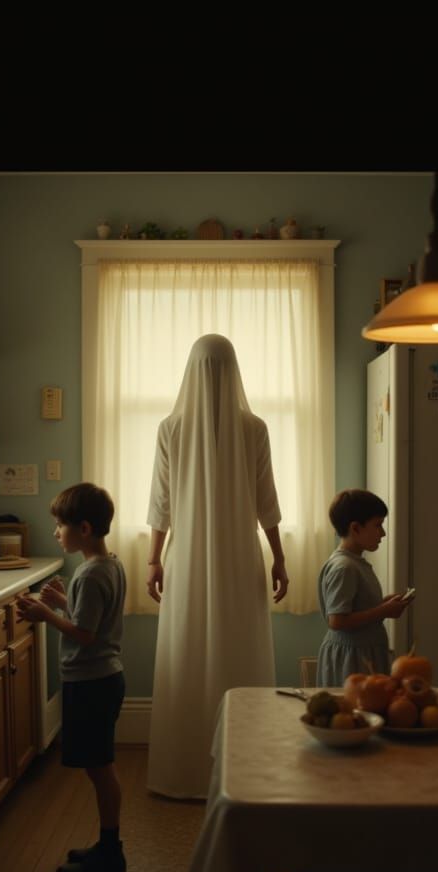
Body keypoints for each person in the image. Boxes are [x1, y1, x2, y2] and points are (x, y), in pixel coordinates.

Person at [146, 333, 289, 799]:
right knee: (238, 649)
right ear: (234, 372)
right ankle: (245, 770)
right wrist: (279, 557)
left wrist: (154, 560)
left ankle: (184, 769)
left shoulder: (171, 428)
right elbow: (267, 504)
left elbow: (161, 506)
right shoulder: (255, 428)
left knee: (189, 651)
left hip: (187, 560)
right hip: (239, 557)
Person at [16, 483, 128, 872]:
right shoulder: (109, 565)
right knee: (100, 767)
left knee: (100, 769)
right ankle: (107, 843)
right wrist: (64, 602)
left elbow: (84, 634)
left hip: (92, 682)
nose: (55, 532)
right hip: (104, 678)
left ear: (83, 527)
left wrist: (46, 613)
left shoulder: (90, 574)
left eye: (59, 525)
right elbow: (90, 619)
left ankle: (111, 853)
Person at [316, 489, 413, 686]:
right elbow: (337, 620)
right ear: (356, 528)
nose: (383, 533)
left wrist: (383, 604)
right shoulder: (345, 567)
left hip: (362, 653)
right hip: (352, 661)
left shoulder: (355, 563)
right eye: (378, 525)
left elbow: (355, 608)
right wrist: (383, 611)